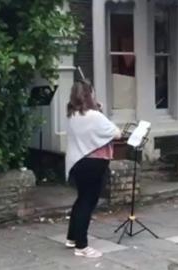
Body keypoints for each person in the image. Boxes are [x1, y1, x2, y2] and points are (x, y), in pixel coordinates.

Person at [65, 79, 122, 258]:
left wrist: (98, 111)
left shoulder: (72, 114)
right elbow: (116, 132)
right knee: (88, 202)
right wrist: (99, 111)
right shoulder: (95, 116)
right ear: (90, 95)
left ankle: (72, 237)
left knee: (81, 199)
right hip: (93, 163)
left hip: (77, 163)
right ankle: (82, 246)